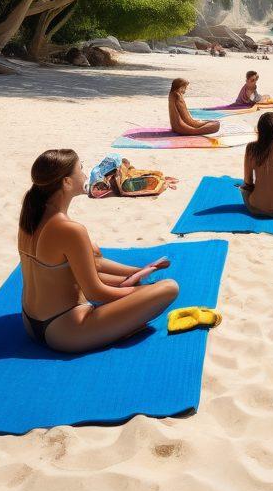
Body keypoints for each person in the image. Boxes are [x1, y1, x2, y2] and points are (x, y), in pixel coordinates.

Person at [17, 149, 180, 352]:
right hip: (67, 330)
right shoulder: (69, 229)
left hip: (30, 322)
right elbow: (95, 292)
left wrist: (133, 272)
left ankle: (130, 285)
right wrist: (139, 292)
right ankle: (123, 323)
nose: (85, 175)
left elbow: (87, 266)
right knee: (169, 288)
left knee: (91, 253)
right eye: (81, 169)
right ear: (67, 182)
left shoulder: (31, 210)